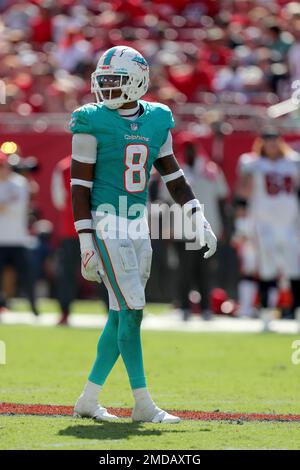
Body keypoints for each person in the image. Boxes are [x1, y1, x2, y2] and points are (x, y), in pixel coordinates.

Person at [70, 46, 217, 423]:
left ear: (137, 82)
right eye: (102, 81)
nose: (105, 89)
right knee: (133, 310)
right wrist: (86, 240)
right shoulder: (90, 120)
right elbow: (79, 186)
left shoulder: (157, 118)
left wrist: (196, 216)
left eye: (114, 81)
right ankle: (143, 404)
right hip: (106, 222)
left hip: (139, 223)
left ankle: (88, 399)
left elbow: (173, 175)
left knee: (121, 315)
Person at [237, 129, 300, 327]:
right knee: (266, 269)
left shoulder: (293, 161)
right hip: (263, 223)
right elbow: (242, 194)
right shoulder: (252, 163)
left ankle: (297, 313)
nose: (271, 146)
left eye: (275, 141)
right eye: (267, 141)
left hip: (290, 223)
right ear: (261, 143)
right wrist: (242, 224)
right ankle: (265, 313)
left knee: (294, 269)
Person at [0, 151, 38, 315]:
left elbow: (18, 208)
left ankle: (33, 306)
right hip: (1, 239)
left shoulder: (20, 183)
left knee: (27, 275)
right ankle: (3, 304)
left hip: (18, 238)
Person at [51, 156, 81, 325]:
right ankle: (112, 312)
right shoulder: (100, 161)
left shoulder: (63, 166)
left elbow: (59, 200)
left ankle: (64, 312)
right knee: (106, 270)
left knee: (67, 273)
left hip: (72, 226)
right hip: (98, 226)